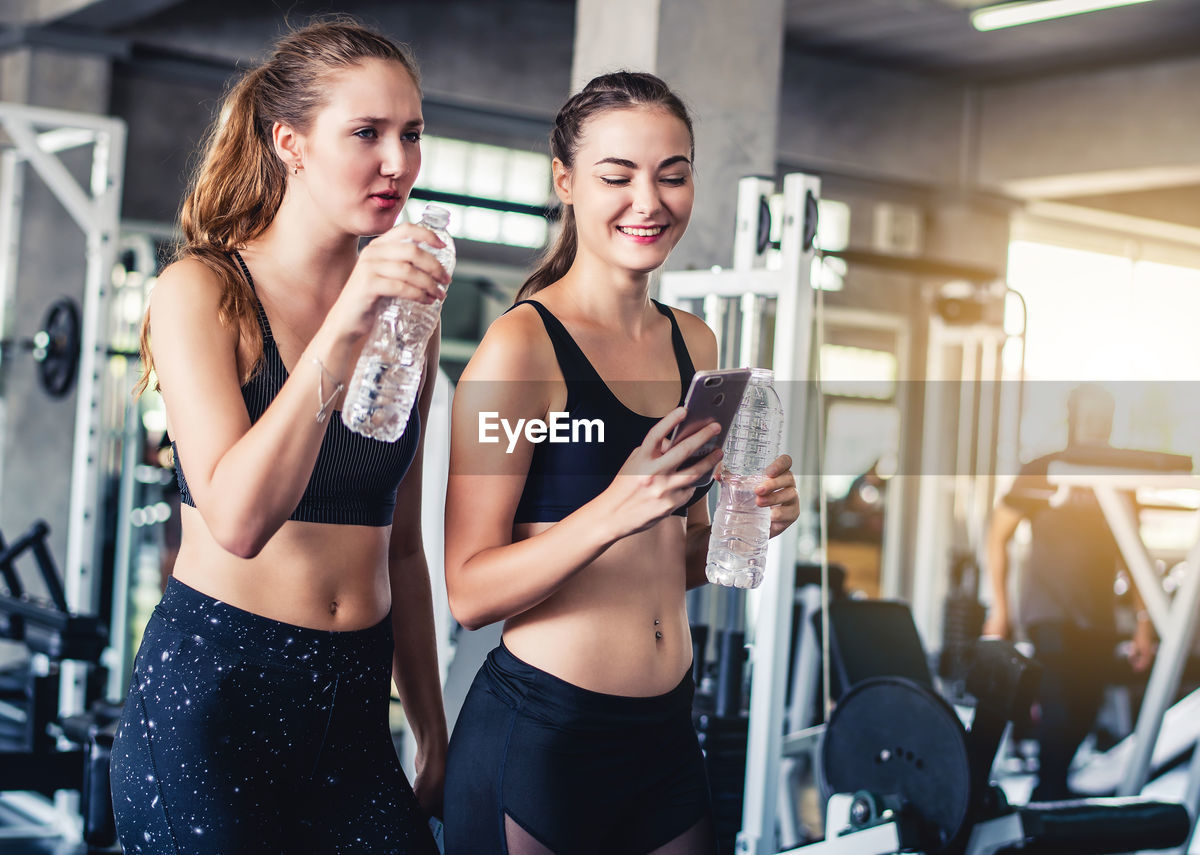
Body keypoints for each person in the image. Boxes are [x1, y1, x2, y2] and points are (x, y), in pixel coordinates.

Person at [109, 19, 449, 854]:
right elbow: (239, 518)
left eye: (411, 134)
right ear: (290, 143)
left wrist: (432, 725)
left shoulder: (413, 317)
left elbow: (400, 547)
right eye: (365, 133)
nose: (397, 162)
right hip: (218, 699)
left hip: (357, 707)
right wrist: (349, 318)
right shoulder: (200, 290)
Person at [442, 71, 799, 854]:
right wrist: (621, 502)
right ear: (566, 183)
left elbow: (672, 556)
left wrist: (751, 522)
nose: (650, 200)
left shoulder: (694, 343)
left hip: (668, 732)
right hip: (546, 736)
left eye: (673, 174)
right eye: (618, 175)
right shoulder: (522, 350)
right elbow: (468, 589)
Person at [983, 383, 1157, 801]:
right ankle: (1048, 797)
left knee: (1085, 709)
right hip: (1049, 613)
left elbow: (1136, 560)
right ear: (1073, 419)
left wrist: (1143, 627)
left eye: (1105, 418)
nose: (1097, 427)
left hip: (1096, 616)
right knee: (1059, 707)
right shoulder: (1042, 470)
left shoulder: (1121, 479)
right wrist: (1001, 609)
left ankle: (1054, 795)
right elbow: (997, 536)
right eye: (1090, 417)